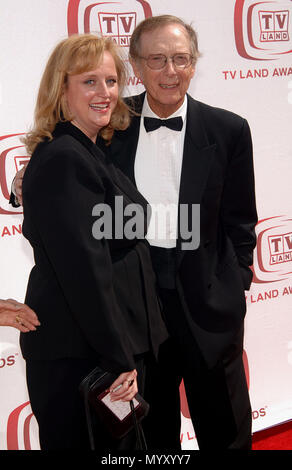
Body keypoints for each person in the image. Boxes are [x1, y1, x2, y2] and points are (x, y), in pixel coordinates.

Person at [11, 15, 258, 450]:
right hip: (131, 311)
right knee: (148, 432)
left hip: (207, 303)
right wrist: (21, 185)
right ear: (138, 67)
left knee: (225, 427)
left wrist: (233, 285)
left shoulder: (229, 129)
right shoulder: (108, 124)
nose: (170, 70)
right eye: (157, 59)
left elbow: (240, 221)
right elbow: (69, 189)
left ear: (194, 64)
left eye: (181, 58)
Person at [10, 33, 168, 450]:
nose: (106, 93)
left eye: (112, 81)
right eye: (89, 82)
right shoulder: (66, 157)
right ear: (61, 89)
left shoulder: (89, 150)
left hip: (101, 346)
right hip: (85, 355)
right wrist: (117, 358)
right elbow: (85, 270)